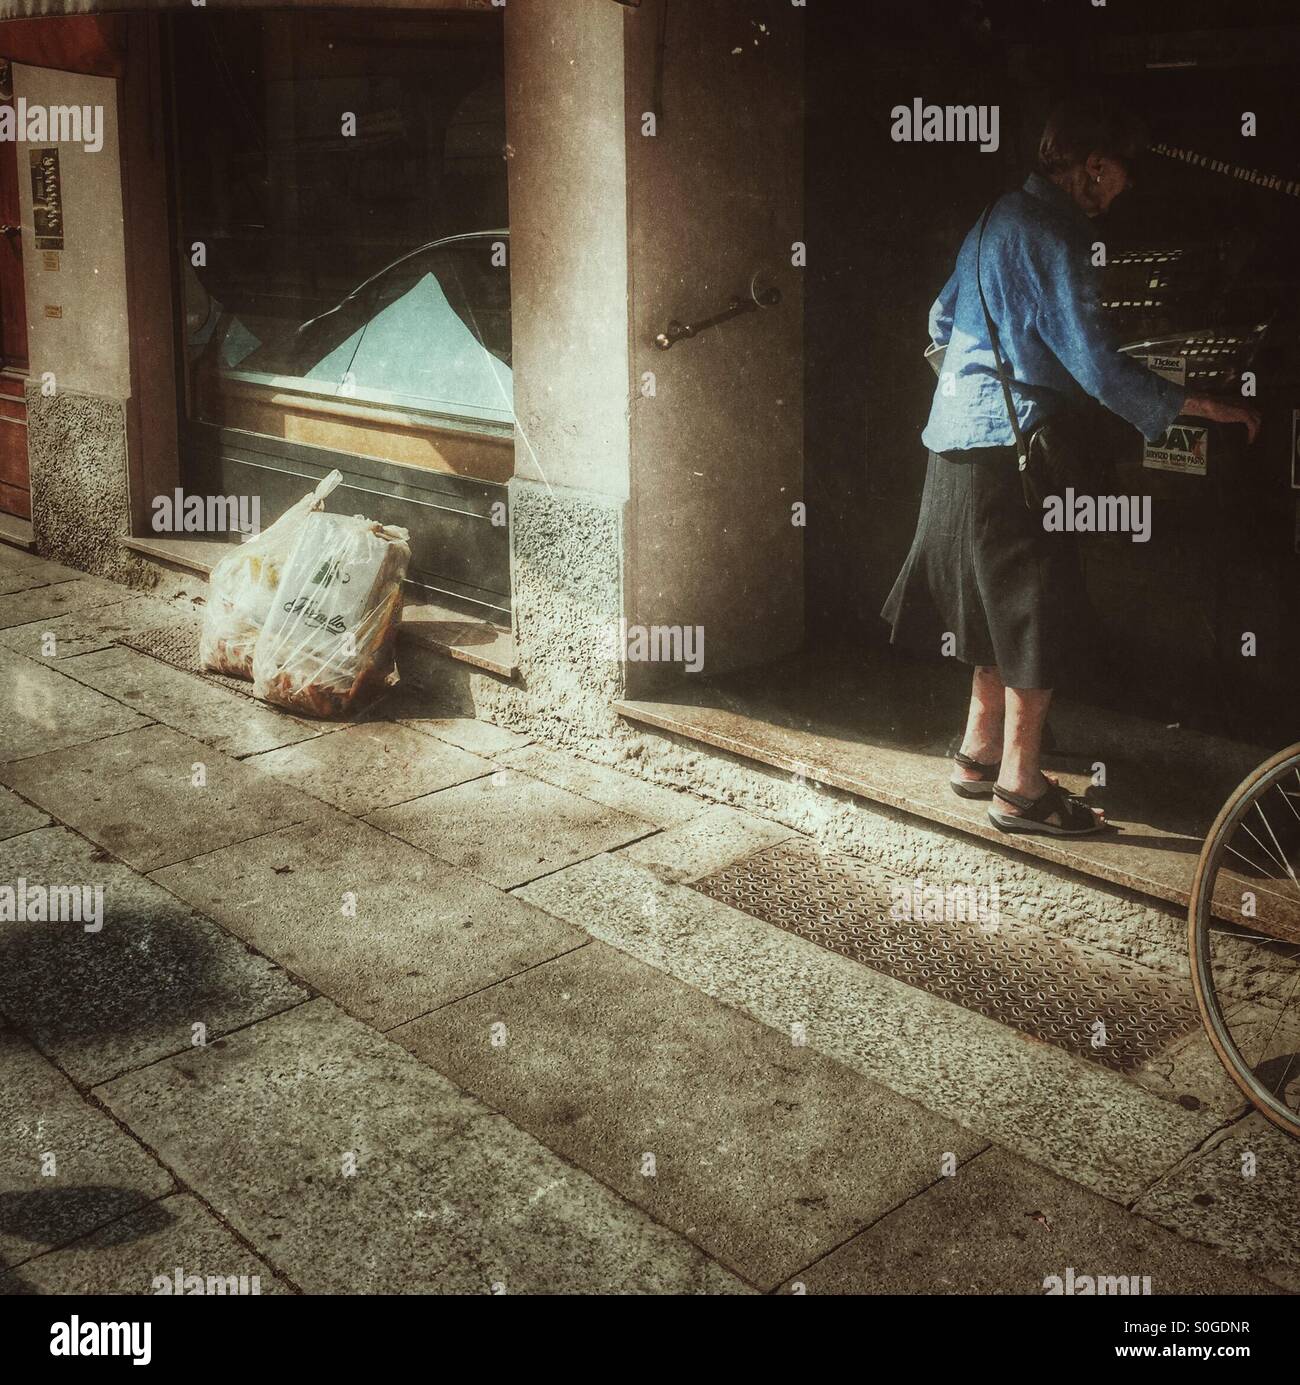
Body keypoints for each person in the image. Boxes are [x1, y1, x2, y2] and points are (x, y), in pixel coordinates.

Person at [881, 95, 1260, 838]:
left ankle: (978, 753)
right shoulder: (1061, 231)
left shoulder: (994, 217)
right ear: (1092, 167)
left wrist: (979, 381)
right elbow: (1099, 368)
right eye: (1121, 174)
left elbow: (937, 318)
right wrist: (1206, 406)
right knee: (1034, 611)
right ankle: (1022, 791)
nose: (1126, 189)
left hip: (953, 445)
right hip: (1013, 456)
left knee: (992, 608)